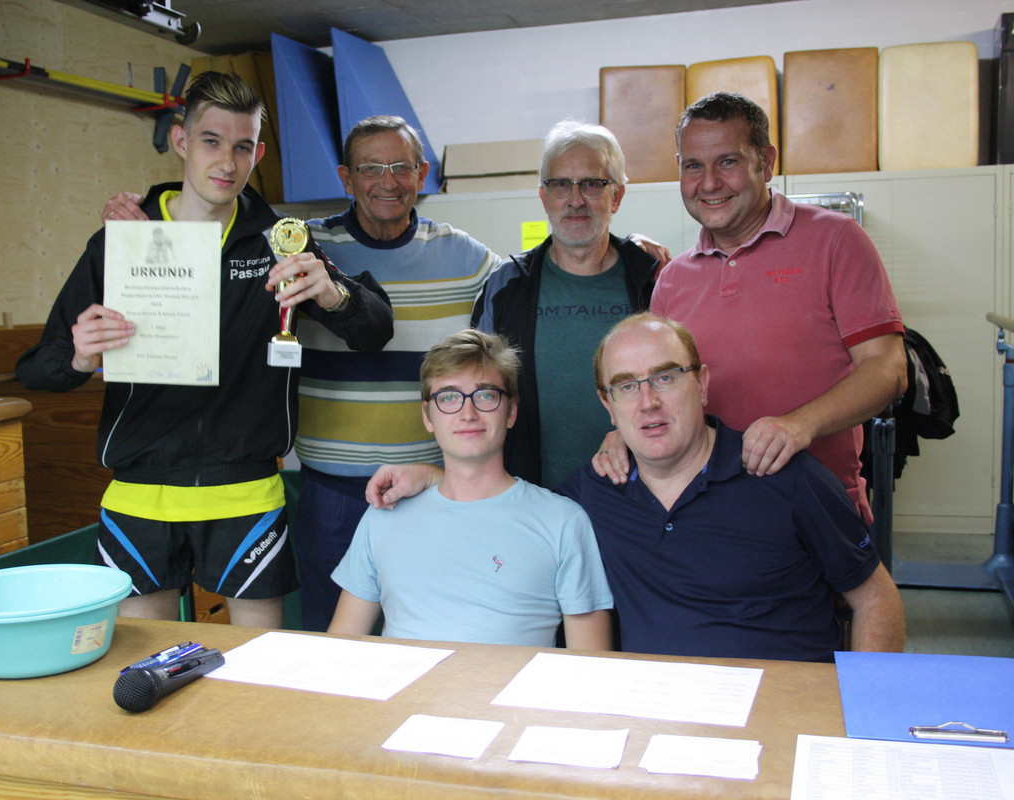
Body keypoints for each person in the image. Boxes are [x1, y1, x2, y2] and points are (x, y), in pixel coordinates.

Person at [102, 116, 669, 631]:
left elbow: (556, 266)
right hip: (331, 491)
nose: (387, 181)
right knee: (338, 643)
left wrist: (640, 252)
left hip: (433, 489)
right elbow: (220, 248)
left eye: (401, 167)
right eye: (371, 168)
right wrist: (145, 221)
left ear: (422, 174)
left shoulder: (473, 260)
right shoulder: (301, 247)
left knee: (449, 628)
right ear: (346, 178)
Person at [15, 71, 393, 627]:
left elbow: (376, 329)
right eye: (211, 141)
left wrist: (333, 294)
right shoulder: (125, 238)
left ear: (257, 153)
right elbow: (36, 369)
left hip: (246, 492)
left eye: (243, 146)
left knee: (258, 665)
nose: (227, 162)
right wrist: (78, 356)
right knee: (146, 665)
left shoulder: (280, 241)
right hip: (139, 493)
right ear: (181, 141)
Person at [596, 92, 906, 522]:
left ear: (767, 161)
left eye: (728, 162)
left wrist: (800, 425)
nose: (709, 183)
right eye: (693, 166)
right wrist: (626, 436)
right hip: (709, 514)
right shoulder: (673, 278)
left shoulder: (837, 240)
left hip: (816, 510)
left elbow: (888, 370)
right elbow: (659, 390)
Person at [557, 313, 905, 661]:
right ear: (609, 405)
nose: (648, 402)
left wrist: (866, 693)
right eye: (626, 386)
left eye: (665, 377)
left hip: (785, 692)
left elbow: (876, 600)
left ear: (702, 384)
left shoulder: (785, 477)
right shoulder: (589, 495)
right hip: (653, 694)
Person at [328, 329, 613, 649]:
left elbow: (589, 665)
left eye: (485, 395)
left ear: (511, 411)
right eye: (448, 397)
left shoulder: (563, 521)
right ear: (427, 416)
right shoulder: (383, 516)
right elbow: (338, 649)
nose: (468, 413)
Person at [473, 120, 663, 492]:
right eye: (560, 184)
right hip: (531, 499)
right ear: (544, 197)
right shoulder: (506, 286)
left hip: (639, 497)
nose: (575, 200)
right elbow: (478, 394)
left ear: (617, 196)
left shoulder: (653, 282)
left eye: (592, 183)